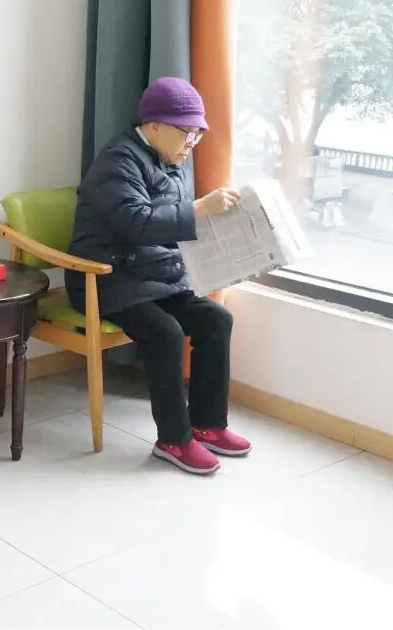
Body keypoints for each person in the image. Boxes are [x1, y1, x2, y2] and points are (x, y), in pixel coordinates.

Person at [65, 77, 252, 475]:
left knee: (216, 319)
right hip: (107, 278)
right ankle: (173, 440)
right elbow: (137, 223)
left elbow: (171, 227)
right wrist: (200, 208)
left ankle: (208, 425)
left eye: (197, 135)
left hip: (154, 276)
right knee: (165, 332)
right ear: (153, 125)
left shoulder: (172, 159)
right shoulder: (118, 161)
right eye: (186, 133)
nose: (191, 143)